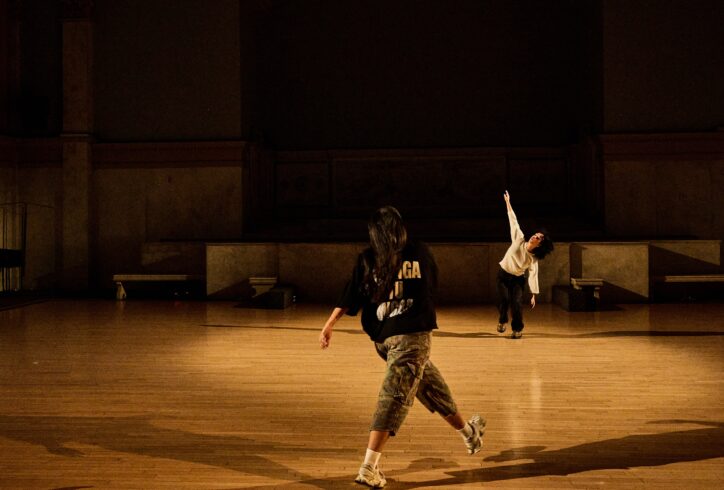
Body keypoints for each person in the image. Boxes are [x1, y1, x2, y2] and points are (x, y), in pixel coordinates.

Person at [319, 205, 485, 489]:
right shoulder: (416, 253)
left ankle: (468, 433)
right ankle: (370, 467)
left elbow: (351, 295)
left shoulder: (371, 258)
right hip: (406, 340)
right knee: (399, 394)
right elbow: (431, 287)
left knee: (425, 388)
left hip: (394, 341)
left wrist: (330, 323)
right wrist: (329, 323)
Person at [496, 190, 554, 339]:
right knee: (504, 300)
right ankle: (502, 320)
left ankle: (517, 329)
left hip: (517, 279)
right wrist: (507, 202)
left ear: (540, 245)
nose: (536, 236)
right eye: (537, 234)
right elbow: (513, 221)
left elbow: (533, 274)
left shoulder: (533, 258)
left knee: (516, 303)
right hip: (503, 274)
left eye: (539, 238)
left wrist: (533, 294)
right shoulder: (519, 238)